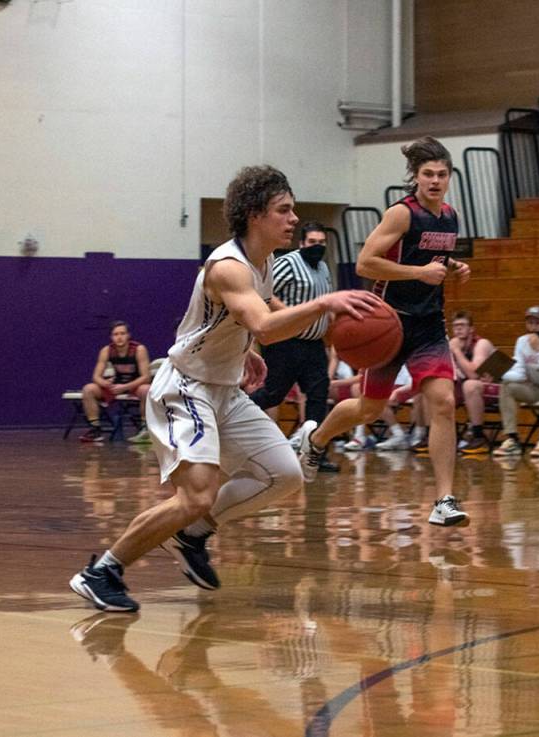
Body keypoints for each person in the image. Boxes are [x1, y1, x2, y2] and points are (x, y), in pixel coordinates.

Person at [69, 165, 379, 612]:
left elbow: (252, 318)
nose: (294, 219)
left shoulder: (264, 261)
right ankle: (103, 571)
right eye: (284, 210)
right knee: (197, 493)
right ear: (255, 215)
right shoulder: (229, 267)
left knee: (286, 473)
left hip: (224, 387)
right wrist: (324, 302)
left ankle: (192, 532)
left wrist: (243, 349)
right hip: (186, 390)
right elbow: (268, 326)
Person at [295, 137, 472, 527]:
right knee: (370, 407)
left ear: (449, 178)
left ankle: (444, 500)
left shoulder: (450, 216)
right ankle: (316, 440)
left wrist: (452, 267)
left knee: (443, 402)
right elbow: (365, 263)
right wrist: (418, 273)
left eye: (442, 174)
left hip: (428, 324)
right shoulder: (401, 214)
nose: (435, 181)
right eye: (428, 174)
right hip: (390, 322)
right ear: (416, 177)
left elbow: (432, 259)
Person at [248, 222, 339, 472]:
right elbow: (264, 293)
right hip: (285, 342)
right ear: (302, 243)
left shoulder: (323, 268)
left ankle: (315, 454)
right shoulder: (287, 262)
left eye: (321, 243)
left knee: (319, 397)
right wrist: (291, 314)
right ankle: (231, 415)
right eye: (312, 242)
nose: (317, 247)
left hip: (314, 345)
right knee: (273, 394)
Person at [494, 305, 539, 458]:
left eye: (537, 323)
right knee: (506, 386)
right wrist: (498, 375)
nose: (533, 328)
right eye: (530, 323)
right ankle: (512, 438)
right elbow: (520, 372)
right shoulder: (521, 341)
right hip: (534, 388)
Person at [79, 321, 152, 443]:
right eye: (115, 334)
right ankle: (95, 429)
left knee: (146, 389)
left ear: (128, 335)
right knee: (88, 389)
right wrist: (104, 383)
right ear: (111, 337)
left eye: (122, 333)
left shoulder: (139, 349)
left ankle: (145, 429)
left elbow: (146, 377)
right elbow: (96, 377)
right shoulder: (106, 350)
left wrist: (125, 387)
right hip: (117, 384)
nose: (119, 337)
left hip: (135, 384)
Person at [449, 310, 499, 454]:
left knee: (470, 385)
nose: (458, 329)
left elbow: (473, 374)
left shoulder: (481, 344)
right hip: (471, 389)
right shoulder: (453, 345)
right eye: (455, 326)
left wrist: (456, 352)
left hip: (496, 387)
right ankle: (434, 433)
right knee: (434, 388)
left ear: (471, 329)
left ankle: (478, 436)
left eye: (462, 325)